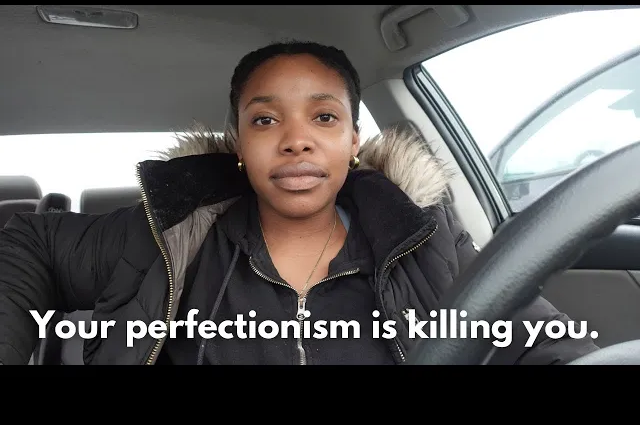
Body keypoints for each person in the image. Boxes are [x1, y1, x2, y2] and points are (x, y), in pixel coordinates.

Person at [0, 40, 598, 365]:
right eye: (265, 120)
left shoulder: (428, 243)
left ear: (354, 141)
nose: (296, 139)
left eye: (324, 117)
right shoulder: (168, 237)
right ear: (239, 144)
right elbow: (28, 240)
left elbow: (542, 342)